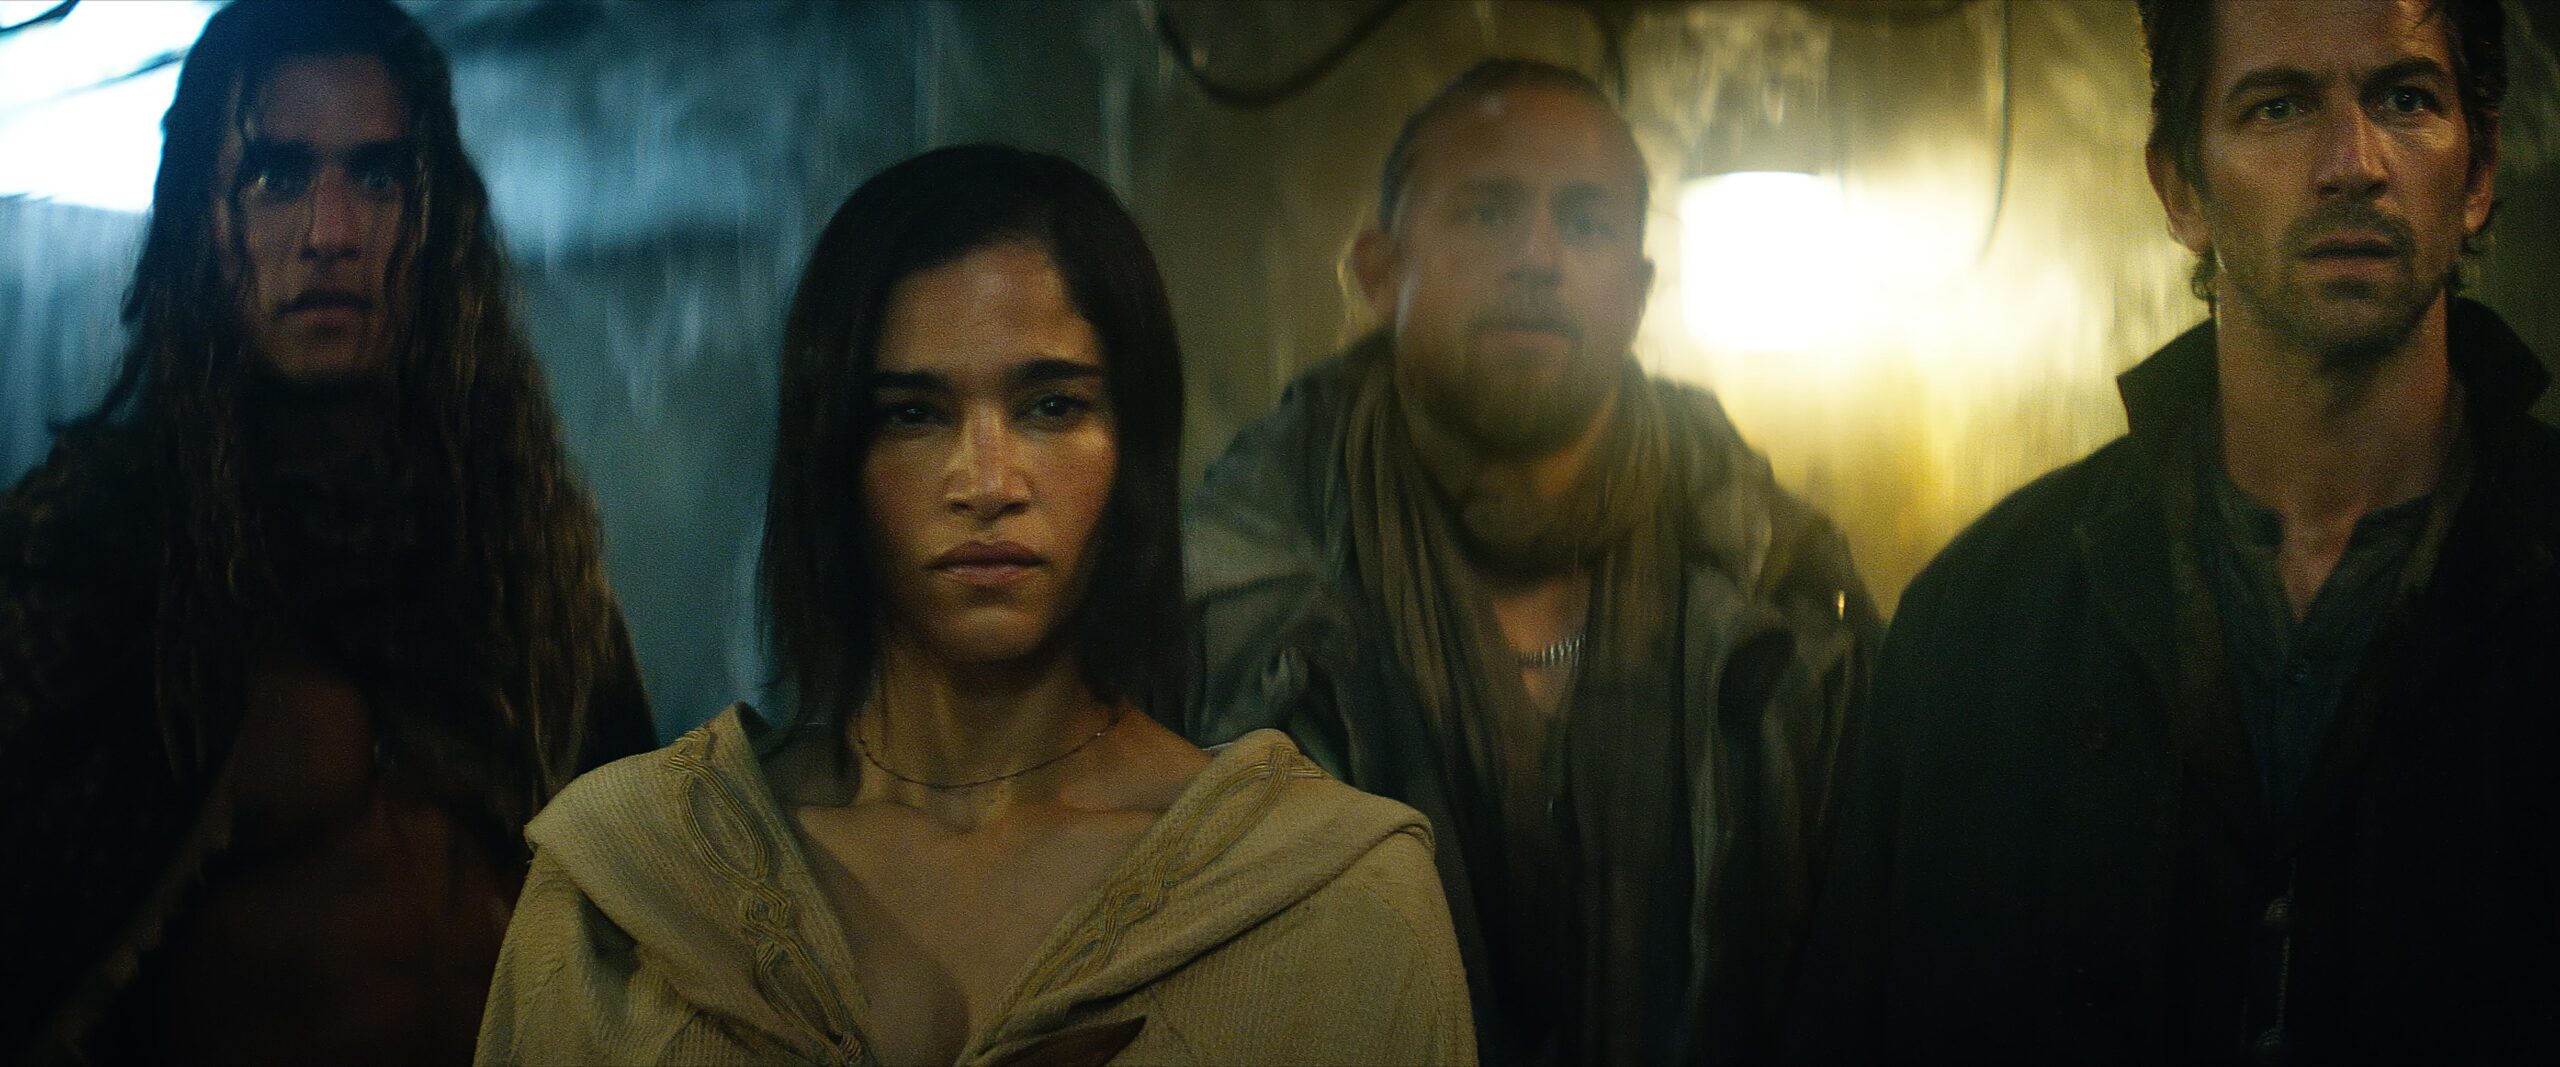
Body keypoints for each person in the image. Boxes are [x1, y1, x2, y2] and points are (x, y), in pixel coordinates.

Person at [476, 145, 1475, 1067]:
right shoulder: (630, 887)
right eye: (913, 413)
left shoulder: (1327, 900)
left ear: (1133, 446)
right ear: (834, 456)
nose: (986, 481)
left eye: (1052, 406)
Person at [1793, 0, 2560, 1060]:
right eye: (2278, 106)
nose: (2352, 162)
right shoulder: (1980, 619)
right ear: (2181, 190)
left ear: (2477, 175)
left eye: (2405, 99)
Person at [0, 2, 657, 1063]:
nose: (333, 232)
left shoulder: (522, 563)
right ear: (199, 221)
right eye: (276, 176)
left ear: (435, 223)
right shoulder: (96, 561)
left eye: (380, 177)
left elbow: (649, 921)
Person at [1185, 59, 1877, 1065]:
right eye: (1487, 211)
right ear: (1378, 269)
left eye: (1586, 223)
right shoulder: (1229, 599)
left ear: (1636, 293)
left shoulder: (1787, 595)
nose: (1538, 257)